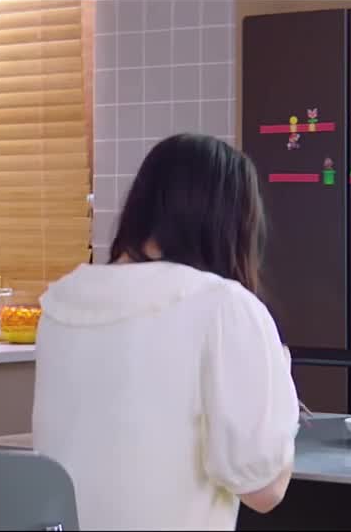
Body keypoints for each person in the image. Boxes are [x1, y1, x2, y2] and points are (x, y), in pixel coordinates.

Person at [33, 134, 298, 529]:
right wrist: (282, 392)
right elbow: (263, 490)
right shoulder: (223, 304)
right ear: (231, 222)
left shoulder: (60, 302)